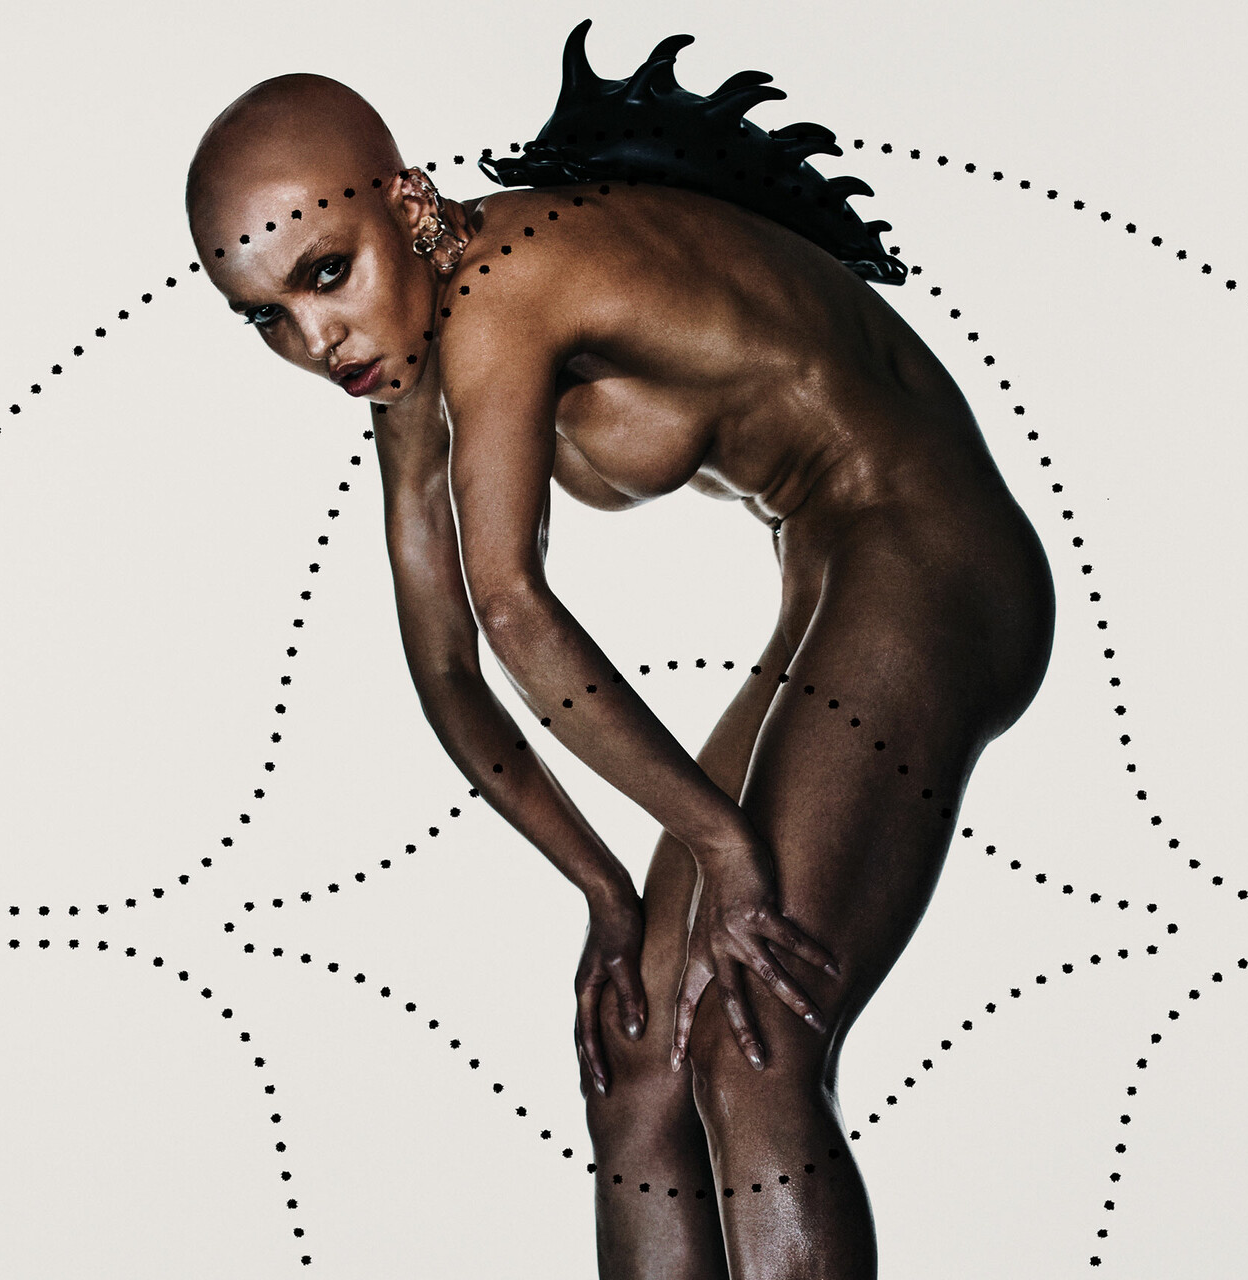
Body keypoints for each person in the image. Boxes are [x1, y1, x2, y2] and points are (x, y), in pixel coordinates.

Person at [184, 28, 1054, 1280]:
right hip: (833, 585)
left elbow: (511, 608)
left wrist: (723, 848)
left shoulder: (505, 283)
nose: (318, 338)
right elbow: (448, 668)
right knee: (641, 1061)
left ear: (411, 206)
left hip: (937, 563)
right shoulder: (404, 358)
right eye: (267, 316)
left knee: (754, 1038)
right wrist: (603, 887)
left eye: (328, 273)